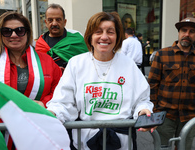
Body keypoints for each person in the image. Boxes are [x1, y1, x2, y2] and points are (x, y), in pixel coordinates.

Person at [46, 11, 155, 150]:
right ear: (90, 36)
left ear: (117, 36)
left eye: (110, 32)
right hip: (84, 143)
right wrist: (53, 113)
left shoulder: (128, 64)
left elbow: (142, 99)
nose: (104, 37)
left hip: (121, 143)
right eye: (98, 31)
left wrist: (143, 111)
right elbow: (63, 102)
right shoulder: (76, 63)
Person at [0, 11, 62, 149]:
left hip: (39, 132)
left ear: (27, 33)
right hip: (2, 134)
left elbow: (60, 91)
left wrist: (43, 103)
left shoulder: (47, 61)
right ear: (0, 35)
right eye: (7, 31)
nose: (14, 35)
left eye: (20, 30)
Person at [148, 17, 195, 150]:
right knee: (163, 148)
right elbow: (152, 85)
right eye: (184, 30)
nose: (187, 34)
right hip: (165, 116)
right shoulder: (162, 55)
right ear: (179, 33)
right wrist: (155, 111)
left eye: (192, 31)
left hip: (190, 117)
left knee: (184, 148)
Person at [35, 3, 88, 72]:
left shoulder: (77, 40)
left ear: (64, 22)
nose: (54, 23)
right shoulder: (40, 44)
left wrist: (69, 72)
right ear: (46, 22)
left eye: (58, 20)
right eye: (50, 20)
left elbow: (87, 64)